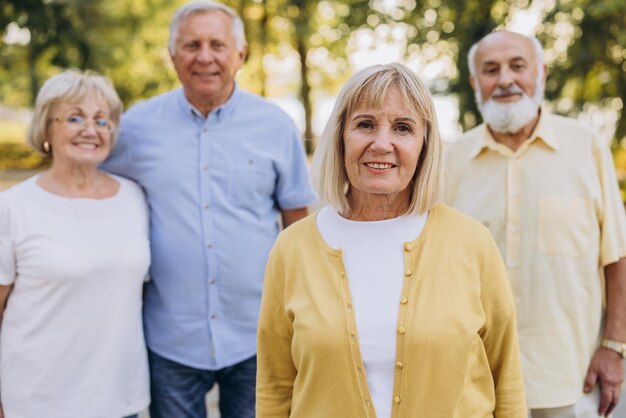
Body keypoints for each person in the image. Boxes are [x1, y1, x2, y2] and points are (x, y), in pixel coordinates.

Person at [256, 63, 526, 417]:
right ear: (340, 137)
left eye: (403, 128)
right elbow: (275, 387)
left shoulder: (471, 242)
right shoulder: (293, 248)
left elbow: (505, 377)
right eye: (365, 125)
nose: (382, 144)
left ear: (424, 145)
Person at [101, 1, 316, 417]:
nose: (204, 56)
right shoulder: (136, 127)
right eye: (191, 45)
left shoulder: (275, 126)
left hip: (257, 334)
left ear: (240, 53)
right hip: (170, 338)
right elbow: (92, 183)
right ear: (172, 56)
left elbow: (297, 226)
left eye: (217, 44)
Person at [443, 30, 626, 417]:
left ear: (540, 73)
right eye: (491, 70)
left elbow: (617, 255)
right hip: (474, 380)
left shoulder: (586, 146)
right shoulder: (450, 161)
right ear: (476, 83)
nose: (505, 79)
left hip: (568, 377)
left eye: (517, 66)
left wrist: (614, 346)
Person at [0, 69, 149, 418]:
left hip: (120, 398)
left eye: (102, 120)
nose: (90, 129)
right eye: (75, 118)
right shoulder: (13, 207)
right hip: (37, 400)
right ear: (46, 128)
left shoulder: (134, 199)